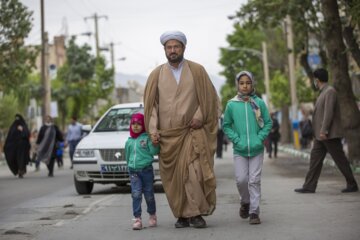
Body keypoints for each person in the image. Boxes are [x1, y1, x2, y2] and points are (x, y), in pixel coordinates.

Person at [144, 30, 220, 228]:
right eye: (169, 47)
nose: (173, 50)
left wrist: (200, 116)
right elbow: (151, 106)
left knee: (194, 173)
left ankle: (196, 213)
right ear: (164, 50)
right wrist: (153, 130)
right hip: (168, 138)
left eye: (176, 46)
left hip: (192, 133)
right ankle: (182, 214)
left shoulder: (197, 70)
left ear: (184, 48)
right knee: (173, 180)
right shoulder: (155, 75)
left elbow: (210, 99)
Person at [294, 68, 358, 193]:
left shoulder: (330, 91)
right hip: (320, 136)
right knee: (315, 160)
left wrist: (324, 130)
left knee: (340, 160)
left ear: (317, 80)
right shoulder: (323, 92)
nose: (314, 82)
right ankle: (309, 186)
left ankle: (352, 184)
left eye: (314, 79)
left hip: (328, 134)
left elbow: (328, 113)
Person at [223, 71, 272, 225]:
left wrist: (259, 138)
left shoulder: (259, 103)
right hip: (240, 150)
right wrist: (236, 140)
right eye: (242, 82)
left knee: (254, 180)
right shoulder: (231, 104)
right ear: (237, 84)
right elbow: (226, 126)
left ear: (252, 84)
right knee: (241, 180)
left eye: (248, 82)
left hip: (257, 149)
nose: (245, 85)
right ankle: (245, 202)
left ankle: (254, 212)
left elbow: (268, 123)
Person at [125, 113, 159, 230]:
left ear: (143, 125)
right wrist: (129, 166)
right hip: (134, 172)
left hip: (146, 171)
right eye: (133, 124)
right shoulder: (129, 141)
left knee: (149, 194)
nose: (135, 126)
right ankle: (137, 219)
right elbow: (128, 157)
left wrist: (155, 143)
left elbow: (154, 152)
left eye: (139, 124)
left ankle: (152, 214)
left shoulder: (146, 138)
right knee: (136, 194)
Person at [3, 114, 31, 178]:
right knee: (14, 158)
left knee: (21, 159)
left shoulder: (24, 126)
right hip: (14, 147)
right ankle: (18, 170)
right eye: (16, 119)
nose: (17, 120)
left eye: (18, 119)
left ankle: (21, 171)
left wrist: (22, 130)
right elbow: (9, 137)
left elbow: (27, 134)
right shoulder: (13, 127)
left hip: (22, 146)